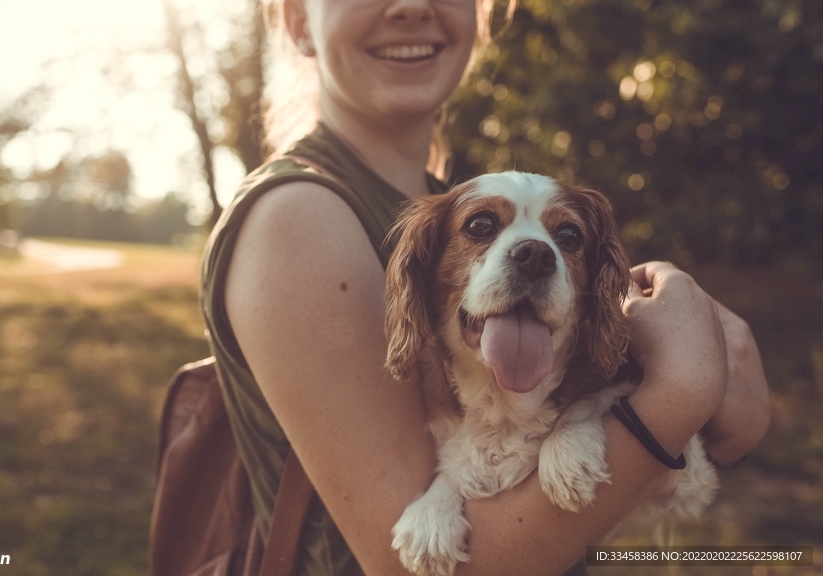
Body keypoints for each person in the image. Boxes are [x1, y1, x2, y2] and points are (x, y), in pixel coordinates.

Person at [200, 0, 771, 574]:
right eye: (480, 228)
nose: (412, 7)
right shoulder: (297, 217)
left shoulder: (450, 194)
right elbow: (410, 567)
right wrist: (683, 391)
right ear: (298, 20)